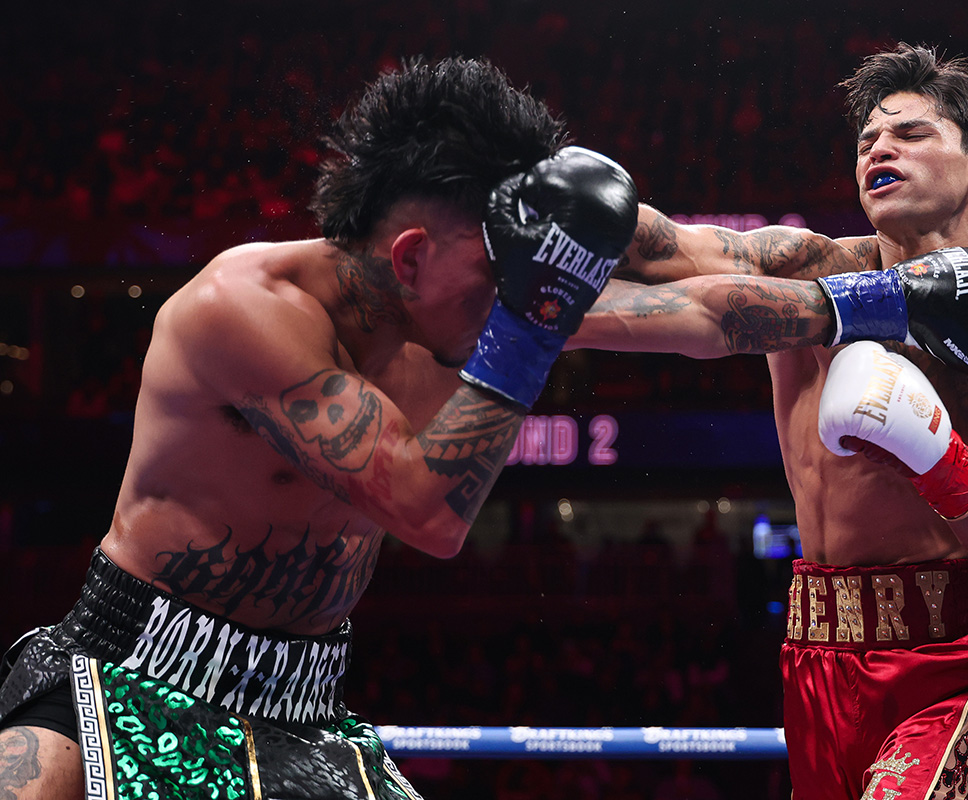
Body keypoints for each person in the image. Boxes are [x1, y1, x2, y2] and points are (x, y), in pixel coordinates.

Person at [0, 57, 638, 799]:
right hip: (128, 671)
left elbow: (709, 294)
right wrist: (533, 321)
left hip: (309, 711)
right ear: (414, 251)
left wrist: (814, 290)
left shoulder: (452, 316)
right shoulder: (243, 307)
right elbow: (425, 511)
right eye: (498, 276)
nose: (510, 295)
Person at [572, 43, 968, 799]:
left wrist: (932, 453)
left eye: (911, 134)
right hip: (814, 664)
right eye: (866, 143)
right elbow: (676, 259)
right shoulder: (809, 272)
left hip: (967, 664)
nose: (879, 148)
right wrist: (560, 207)